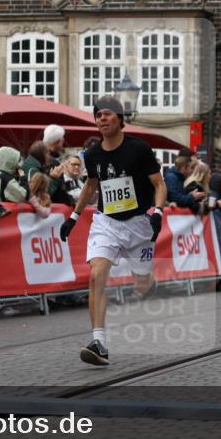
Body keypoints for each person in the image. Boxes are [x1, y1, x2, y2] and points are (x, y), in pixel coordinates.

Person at [59, 95, 167, 367]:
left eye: (107, 114)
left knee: (142, 285)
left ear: (120, 119)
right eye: (98, 115)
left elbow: (159, 184)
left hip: (138, 224)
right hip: (106, 222)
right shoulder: (93, 153)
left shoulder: (139, 149)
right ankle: (99, 343)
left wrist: (158, 212)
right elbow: (90, 185)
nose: (102, 119)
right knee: (96, 275)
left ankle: (148, 281)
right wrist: (73, 217)